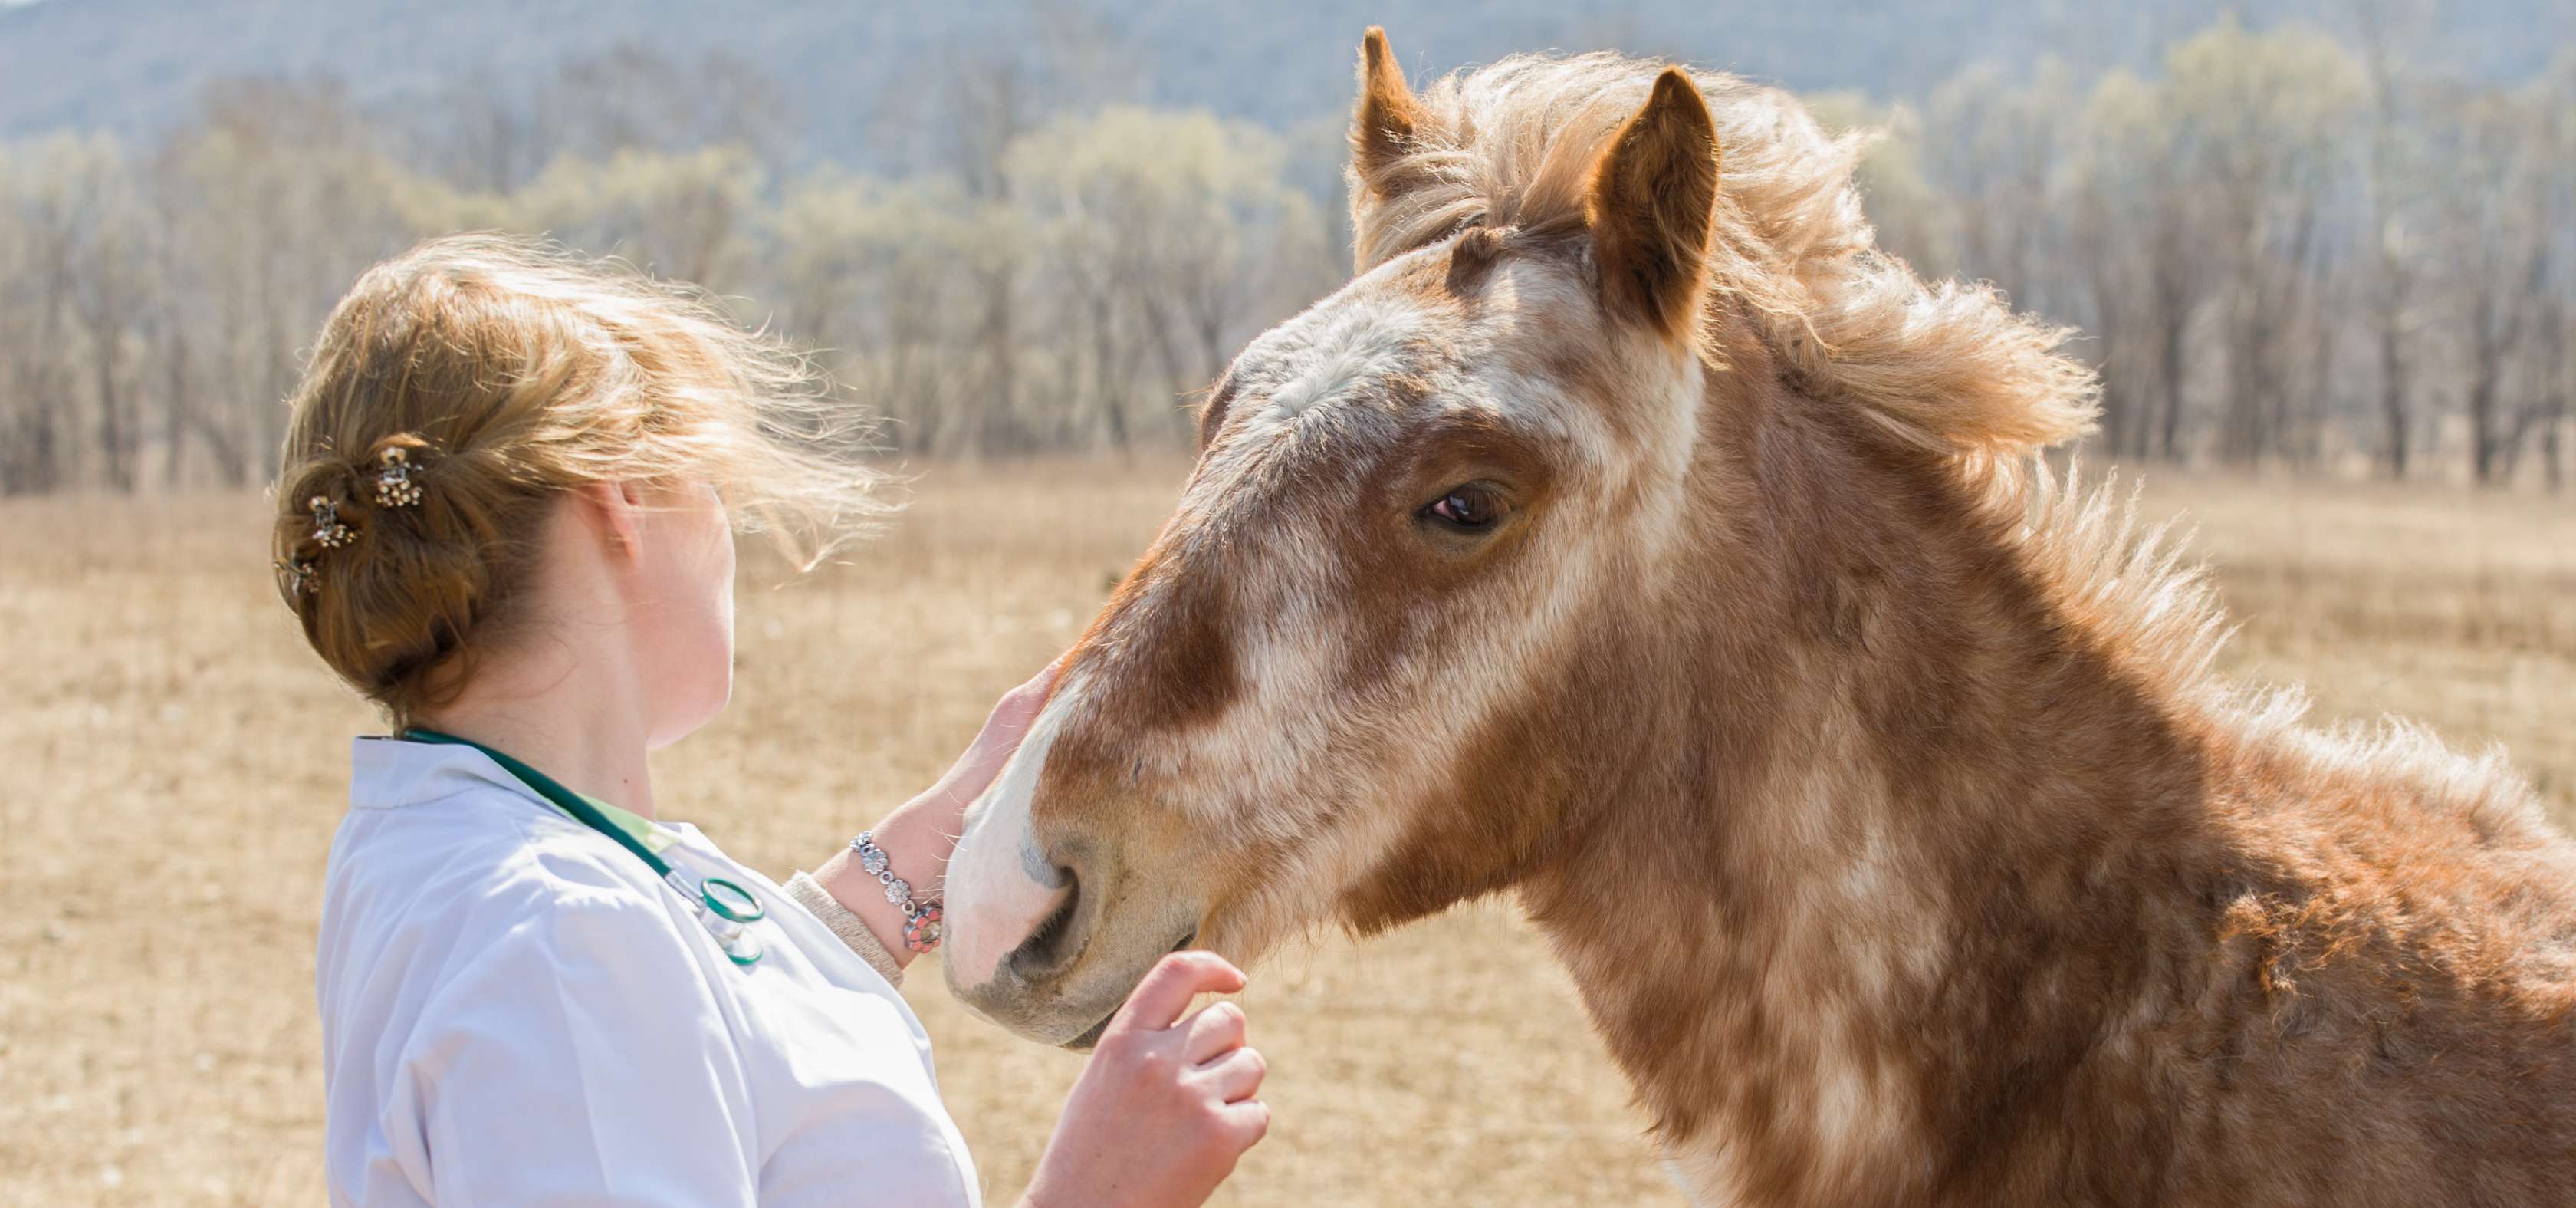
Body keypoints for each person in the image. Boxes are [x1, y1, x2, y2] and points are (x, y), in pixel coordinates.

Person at [272, 233, 1269, 1206]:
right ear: (619, 500)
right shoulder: (559, 939)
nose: (728, 528)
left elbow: (728, 1072)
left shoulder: (464, 847)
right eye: (708, 479)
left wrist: (894, 880)